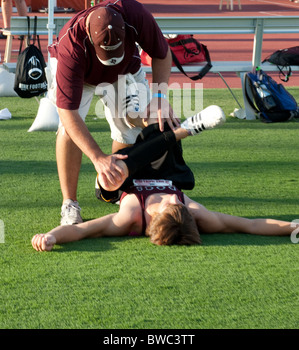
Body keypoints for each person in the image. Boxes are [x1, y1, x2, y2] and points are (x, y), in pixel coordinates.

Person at [31, 106, 298, 252]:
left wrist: (51, 237)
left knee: (115, 174)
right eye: (179, 203)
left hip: (121, 178)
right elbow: (250, 225)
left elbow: (82, 230)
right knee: (158, 123)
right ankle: (173, 131)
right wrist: (292, 227)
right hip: (164, 169)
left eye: (169, 204)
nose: (173, 197)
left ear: (156, 218)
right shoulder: (195, 214)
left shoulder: (131, 217)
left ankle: (185, 131)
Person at [48, 0, 179, 226]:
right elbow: (68, 113)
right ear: (90, 38)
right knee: (68, 131)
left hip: (125, 70)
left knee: (127, 130)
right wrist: (97, 158)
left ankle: (119, 187)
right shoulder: (71, 46)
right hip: (82, 76)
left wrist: (160, 97)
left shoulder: (135, 14)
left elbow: (162, 53)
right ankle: (69, 202)